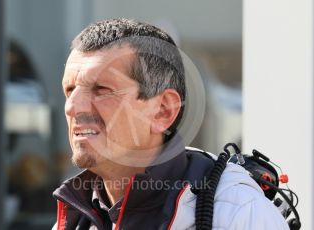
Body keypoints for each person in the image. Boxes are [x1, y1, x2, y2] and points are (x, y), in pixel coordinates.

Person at [52, 18, 289, 230]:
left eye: (102, 90)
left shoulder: (238, 212)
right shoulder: (76, 215)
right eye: (70, 90)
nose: (73, 107)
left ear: (163, 111)